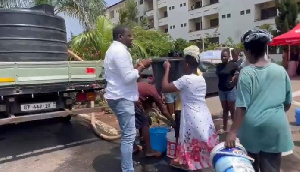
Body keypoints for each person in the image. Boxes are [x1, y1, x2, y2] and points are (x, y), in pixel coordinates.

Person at [225, 29, 294, 172]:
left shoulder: (246, 73)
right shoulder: (280, 70)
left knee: (249, 168)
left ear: (249, 52)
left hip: (252, 131)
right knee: (272, 168)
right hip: (275, 128)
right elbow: (287, 103)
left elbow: (241, 108)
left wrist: (232, 132)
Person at [162, 45, 219, 171]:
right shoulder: (201, 78)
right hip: (204, 114)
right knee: (201, 143)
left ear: (186, 64)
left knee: (193, 144)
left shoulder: (185, 80)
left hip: (191, 116)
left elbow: (165, 87)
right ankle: (199, 166)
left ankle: (195, 166)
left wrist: (166, 70)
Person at [104, 25, 152, 172]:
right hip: (122, 97)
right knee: (128, 136)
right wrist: (142, 66)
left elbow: (123, 74)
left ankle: (128, 165)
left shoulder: (113, 50)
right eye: (129, 35)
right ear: (120, 37)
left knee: (127, 134)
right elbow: (128, 78)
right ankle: (127, 169)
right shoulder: (120, 52)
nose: (132, 39)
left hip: (118, 96)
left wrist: (135, 68)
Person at [216, 50, 238, 134]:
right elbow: (218, 74)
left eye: (225, 56)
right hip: (222, 90)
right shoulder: (219, 66)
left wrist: (235, 76)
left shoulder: (232, 65)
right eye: (222, 56)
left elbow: (240, 70)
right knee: (225, 110)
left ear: (229, 57)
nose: (224, 57)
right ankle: (225, 128)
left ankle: (235, 129)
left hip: (230, 90)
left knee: (232, 110)